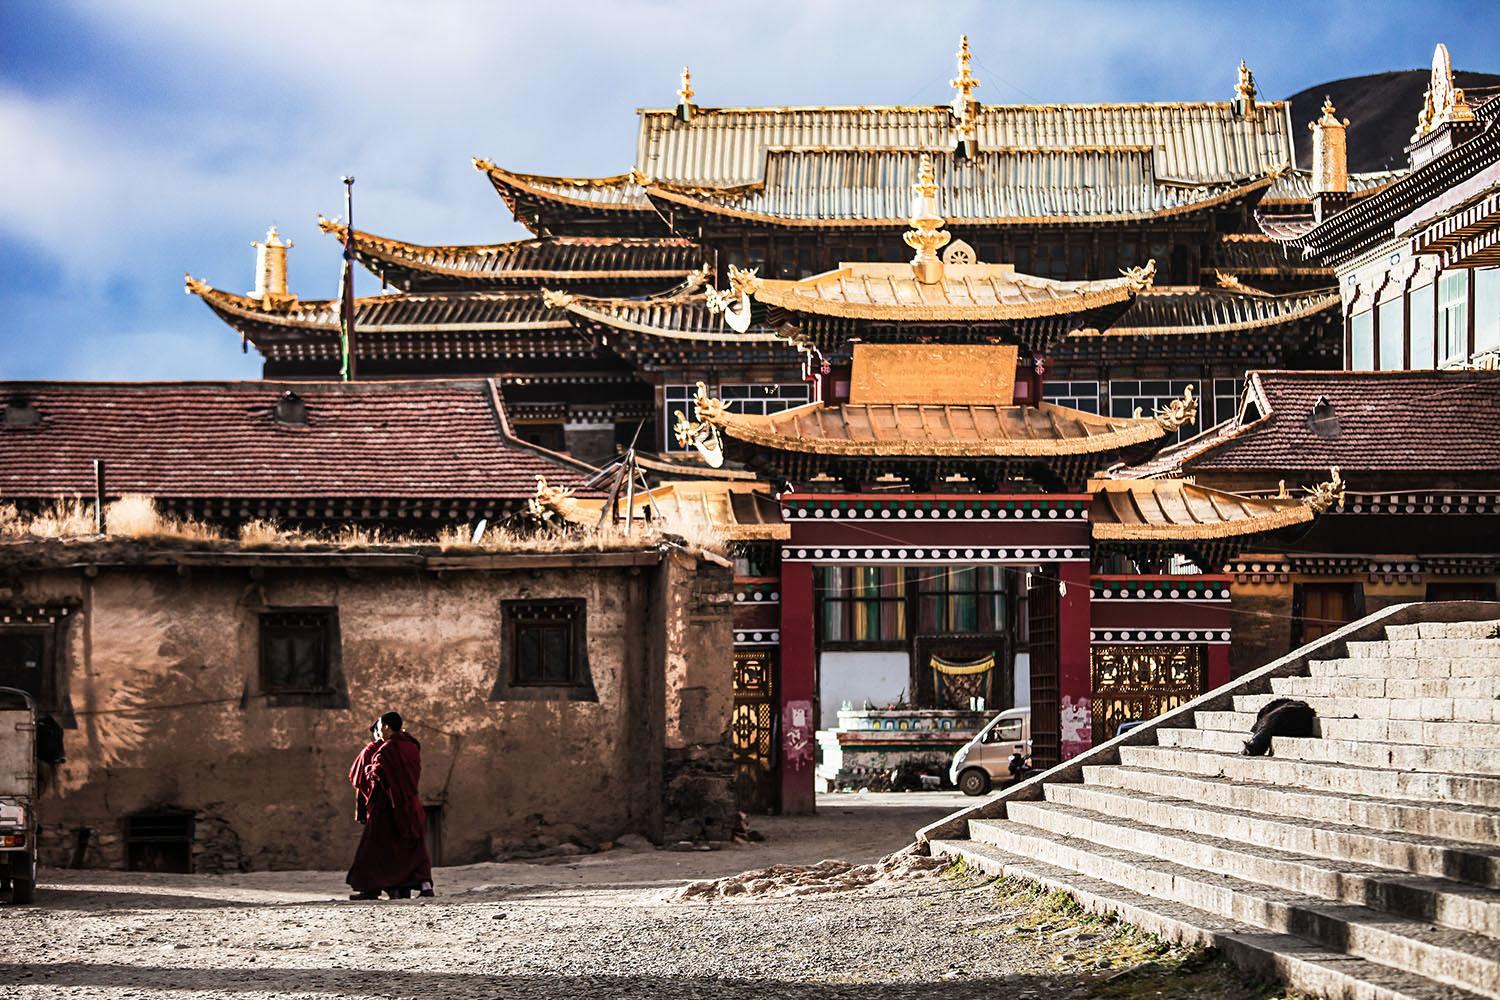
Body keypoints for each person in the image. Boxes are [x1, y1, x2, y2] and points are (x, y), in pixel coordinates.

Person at [346, 711, 434, 900]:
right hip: (410, 805)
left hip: (388, 806)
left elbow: (376, 775)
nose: (378, 734)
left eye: (379, 729)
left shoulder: (386, 750)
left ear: (386, 727)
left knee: (374, 847)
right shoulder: (412, 746)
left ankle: (371, 889)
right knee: (413, 847)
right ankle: (419, 886)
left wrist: (370, 770)